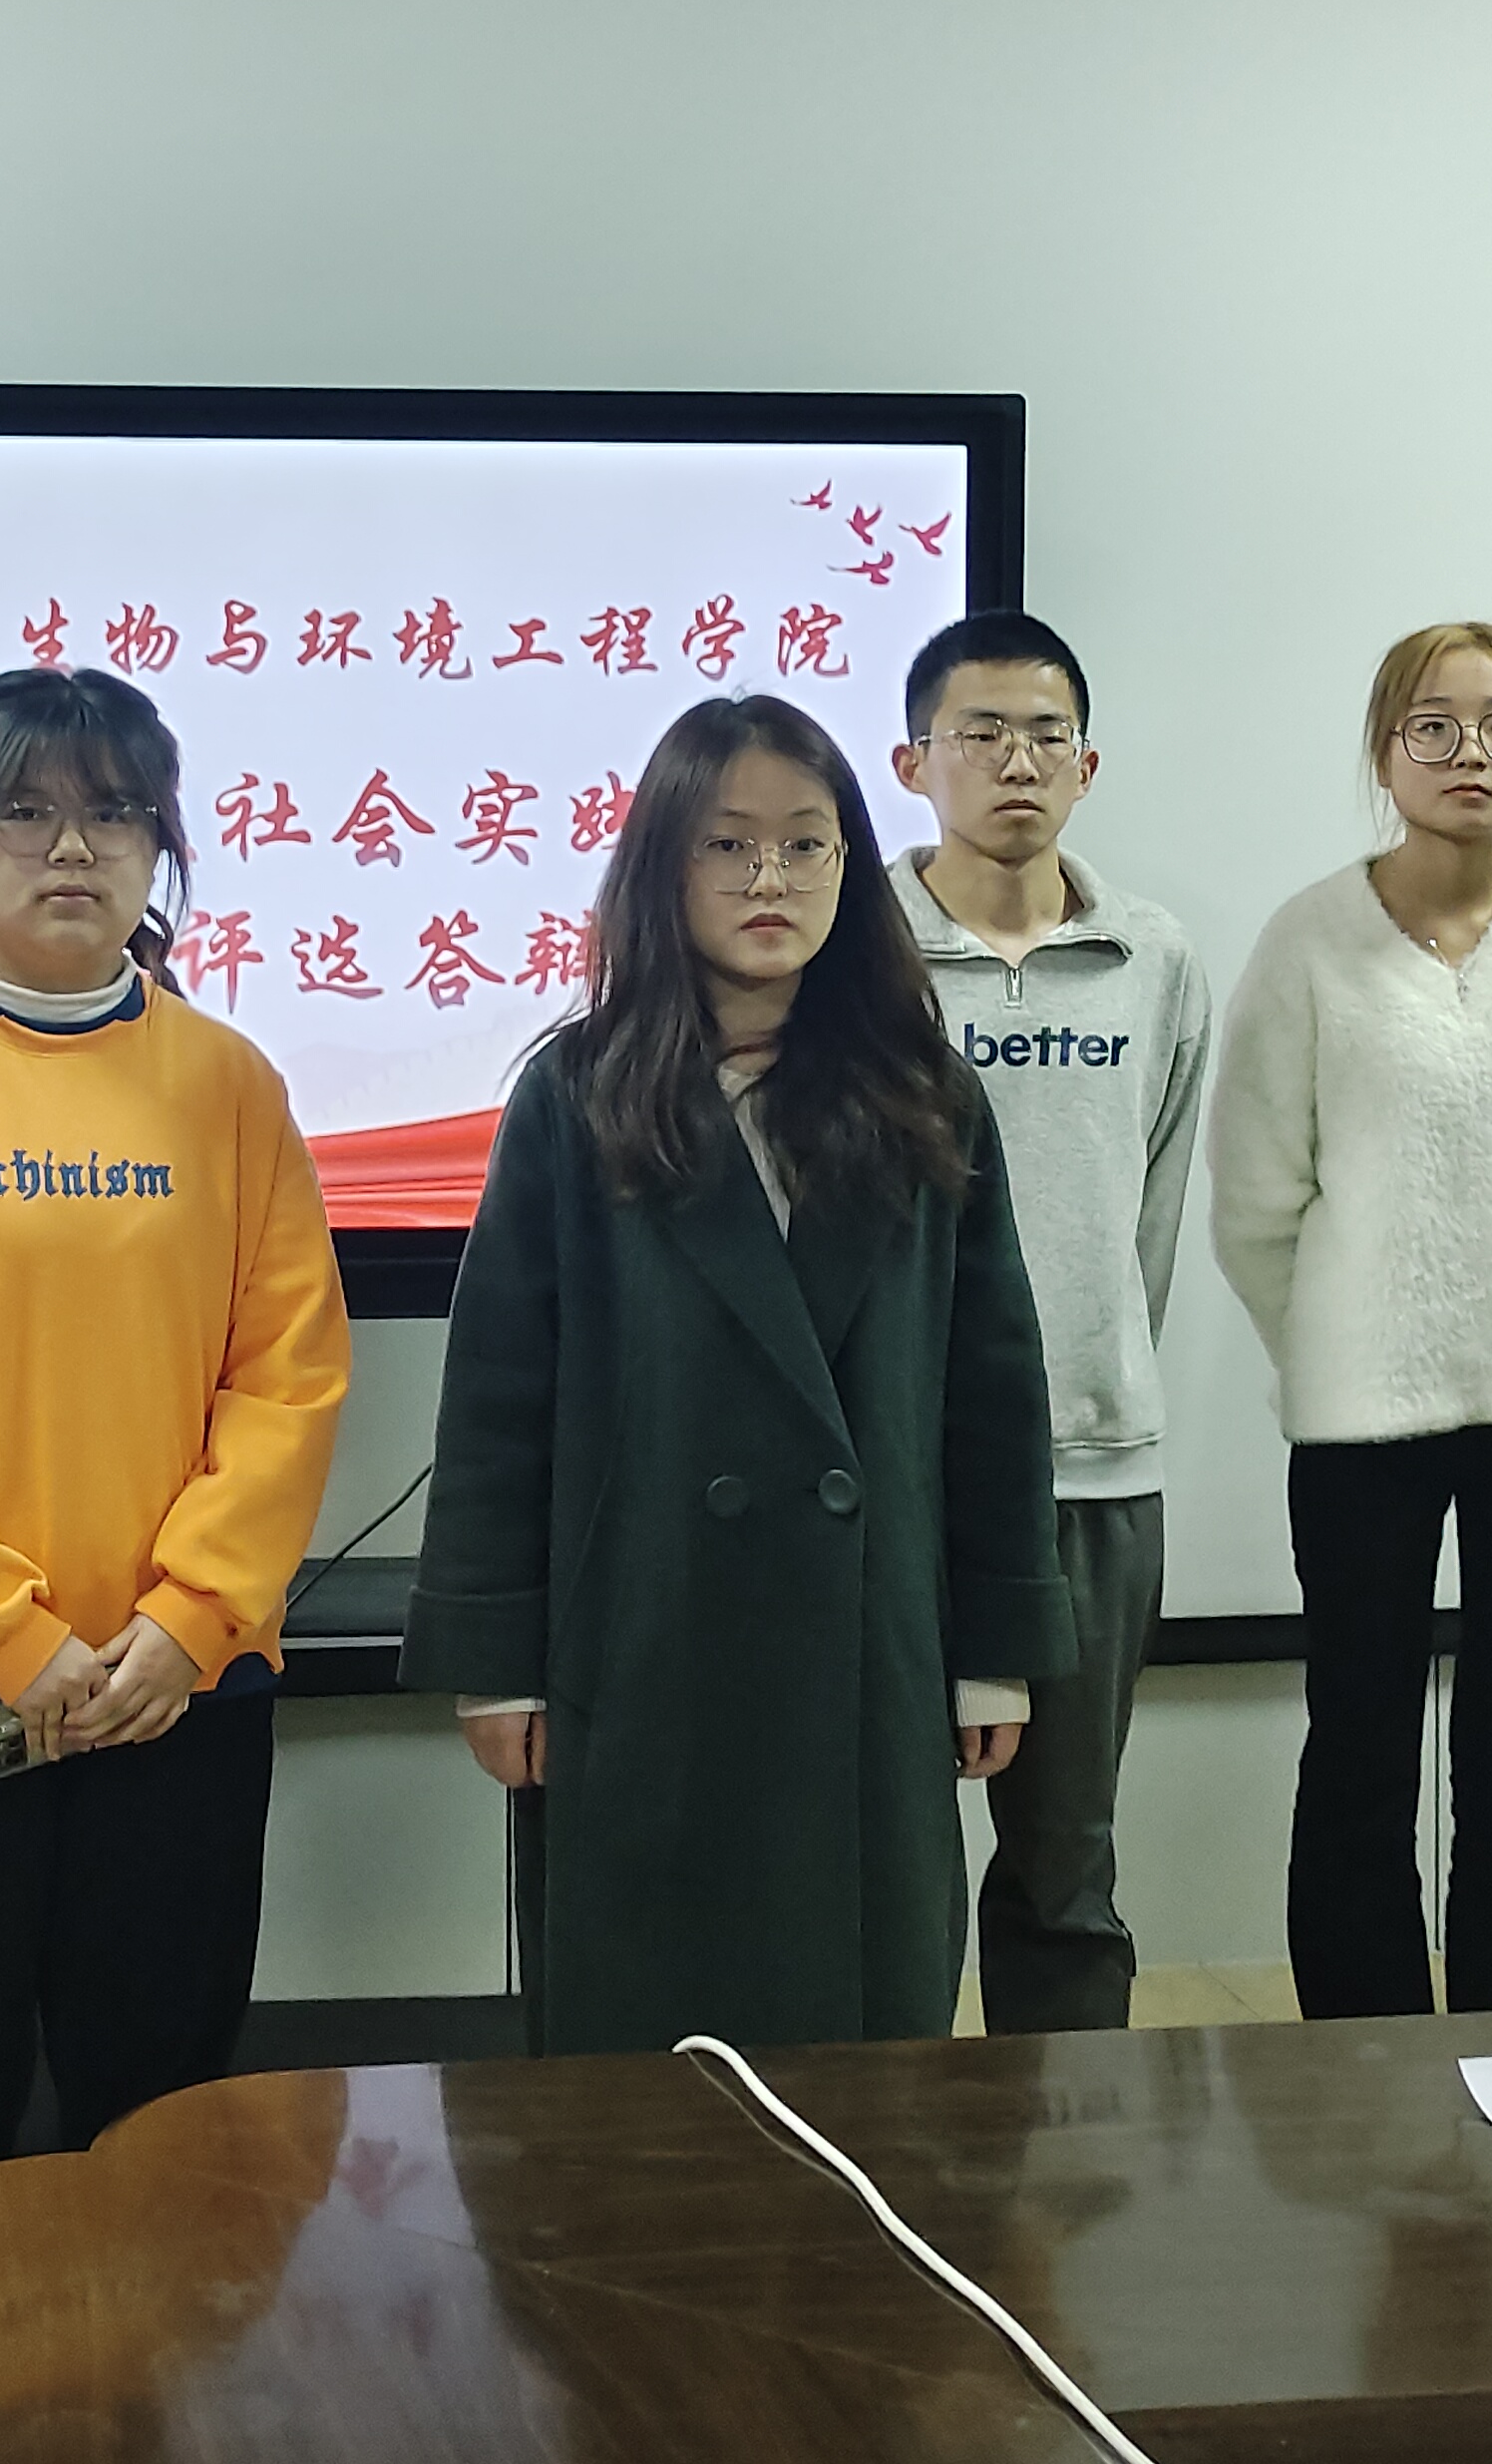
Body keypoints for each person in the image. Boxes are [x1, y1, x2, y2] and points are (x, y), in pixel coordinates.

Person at [0, 666, 350, 2237]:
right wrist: (12, 1643)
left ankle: (150, 2360)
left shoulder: (228, 1085)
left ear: (163, 847)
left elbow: (287, 1378)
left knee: (161, 2107)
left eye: (114, 813)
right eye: (25, 811)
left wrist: (190, 1620)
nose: (73, 848)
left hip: (176, 1695)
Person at [403, 691, 1070, 2058]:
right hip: (642, 1644)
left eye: (807, 844)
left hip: (870, 1650)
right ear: (664, 864)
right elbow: (498, 1401)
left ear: (850, 866)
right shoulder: (577, 1096)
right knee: (644, 2069)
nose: (771, 878)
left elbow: (993, 1394)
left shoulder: (926, 1097)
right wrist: (493, 1666)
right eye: (728, 844)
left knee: (864, 2057)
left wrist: (995, 1651)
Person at [1208, 619, 1492, 2019]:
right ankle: (1359, 2046)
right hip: (1359, 1425)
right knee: (1358, 1748)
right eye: (1435, 725)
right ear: (1385, 751)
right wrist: (1330, 1348)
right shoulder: (1308, 940)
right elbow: (1255, 1197)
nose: (1472, 753)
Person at [879, 610, 1209, 2035]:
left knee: (1067, 1871)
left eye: (1046, 736)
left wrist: (1098, 1369)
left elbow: (1153, 1212)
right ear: (913, 763)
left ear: (1087, 766)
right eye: (981, 734)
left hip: (1091, 1472)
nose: (1018, 762)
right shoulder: (853, 953)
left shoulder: (1153, 957)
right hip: (891, 1471)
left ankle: (1061, 2153)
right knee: (877, 1856)